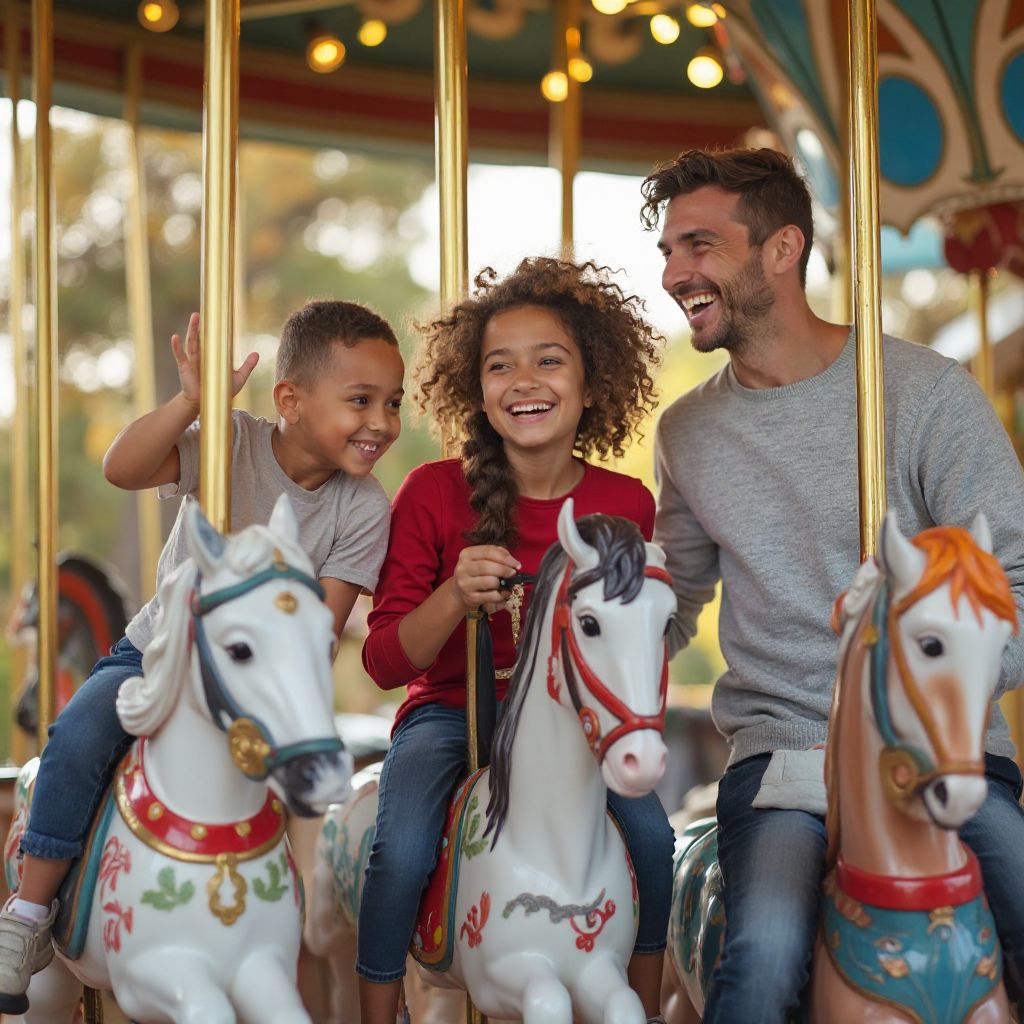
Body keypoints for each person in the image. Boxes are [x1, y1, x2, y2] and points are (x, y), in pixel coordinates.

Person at [642, 145, 1024, 1023]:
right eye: (668, 252)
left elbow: (1014, 579)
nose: (674, 273)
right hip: (784, 754)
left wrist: (943, 689)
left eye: (698, 246)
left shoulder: (923, 394)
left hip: (941, 746)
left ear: (781, 250)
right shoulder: (689, 433)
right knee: (767, 955)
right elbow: (676, 602)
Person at [0, 300, 405, 1015]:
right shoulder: (231, 443)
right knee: (81, 732)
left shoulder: (364, 507)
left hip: (259, 684)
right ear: (289, 400)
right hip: (160, 655)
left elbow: (321, 625)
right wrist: (191, 403)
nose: (381, 421)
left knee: (308, 776)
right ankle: (30, 912)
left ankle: (284, 935)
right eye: (360, 400)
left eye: (392, 403)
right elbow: (123, 467)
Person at [358, 256, 676, 1024]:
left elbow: (631, 639)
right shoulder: (434, 492)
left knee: (654, 842)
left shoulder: (623, 502)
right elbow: (383, 660)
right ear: (478, 391)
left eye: (549, 360)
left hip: (576, 721)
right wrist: (453, 597)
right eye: (501, 366)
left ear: (592, 383)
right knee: (400, 851)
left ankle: (634, 998)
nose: (524, 380)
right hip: (449, 711)